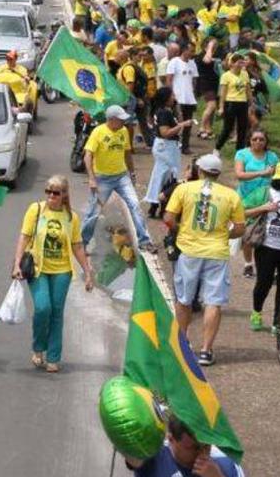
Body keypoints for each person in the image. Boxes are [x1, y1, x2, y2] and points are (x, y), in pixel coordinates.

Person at [164, 154, 246, 366]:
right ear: (218, 173)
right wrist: (223, 236)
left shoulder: (184, 189)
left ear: (199, 170)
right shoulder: (231, 195)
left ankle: (182, 344)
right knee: (213, 301)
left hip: (189, 251)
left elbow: (168, 218)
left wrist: (182, 231)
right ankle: (206, 351)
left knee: (184, 299)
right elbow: (239, 228)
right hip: (217, 253)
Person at [11, 175, 95, 373]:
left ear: (64, 195)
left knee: (57, 313)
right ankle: (38, 348)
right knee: (43, 308)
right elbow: (24, 237)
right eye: (48, 191)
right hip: (38, 269)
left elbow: (77, 245)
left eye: (55, 193)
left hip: (62, 271)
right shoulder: (36, 210)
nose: (50, 196)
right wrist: (16, 264)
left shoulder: (70, 217)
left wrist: (88, 272)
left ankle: (54, 357)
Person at [81, 105, 154, 250]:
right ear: (112, 120)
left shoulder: (124, 131)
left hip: (121, 177)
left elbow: (127, 154)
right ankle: (82, 242)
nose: (123, 122)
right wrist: (91, 178)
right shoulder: (98, 132)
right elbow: (87, 156)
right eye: (120, 119)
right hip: (102, 178)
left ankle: (144, 241)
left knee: (135, 205)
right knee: (93, 212)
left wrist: (132, 173)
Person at [246, 161, 280, 331]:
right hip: (266, 248)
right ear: (279, 179)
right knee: (264, 283)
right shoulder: (265, 192)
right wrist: (263, 207)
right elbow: (241, 210)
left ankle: (277, 321)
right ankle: (257, 311)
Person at [123, 413, 243, 477]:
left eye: (206, 446)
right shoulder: (154, 457)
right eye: (194, 448)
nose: (202, 453)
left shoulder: (226, 463)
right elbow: (131, 455)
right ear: (171, 439)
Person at [234, 129, 279, 279]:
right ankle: (248, 263)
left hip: (266, 197)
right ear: (250, 140)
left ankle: (266, 266)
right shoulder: (242, 154)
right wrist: (261, 173)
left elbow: (278, 177)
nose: (258, 142)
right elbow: (239, 175)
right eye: (255, 139)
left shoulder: (272, 157)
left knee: (265, 232)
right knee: (248, 232)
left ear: (266, 142)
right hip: (247, 198)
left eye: (261, 139)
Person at [143, 87, 193, 217]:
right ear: (166, 98)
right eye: (172, 96)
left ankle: (157, 206)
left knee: (163, 175)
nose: (174, 98)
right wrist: (182, 125)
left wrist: (178, 111)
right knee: (167, 176)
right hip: (166, 147)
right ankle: (160, 206)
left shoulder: (166, 111)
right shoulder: (164, 113)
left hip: (167, 147)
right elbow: (165, 133)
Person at [214, 53, 252, 156]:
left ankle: (239, 151)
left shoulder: (245, 74)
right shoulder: (226, 76)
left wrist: (250, 103)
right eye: (239, 62)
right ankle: (217, 147)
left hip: (242, 103)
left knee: (242, 128)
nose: (241, 64)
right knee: (228, 128)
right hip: (230, 102)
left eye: (242, 62)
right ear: (233, 63)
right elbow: (223, 93)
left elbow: (248, 89)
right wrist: (221, 107)